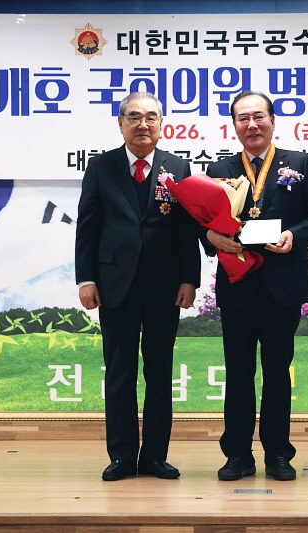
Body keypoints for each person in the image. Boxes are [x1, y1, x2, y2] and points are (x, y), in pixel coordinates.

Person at [204, 90, 308, 481]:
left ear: (273, 121)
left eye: (258, 116)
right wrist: (210, 237)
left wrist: (294, 235)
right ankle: (237, 454)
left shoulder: (299, 162)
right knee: (238, 371)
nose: (252, 124)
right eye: (243, 118)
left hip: (282, 283)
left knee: (277, 371)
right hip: (238, 281)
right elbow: (203, 220)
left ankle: (278, 454)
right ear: (234, 125)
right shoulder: (219, 168)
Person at [75, 91, 201, 481]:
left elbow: (187, 229)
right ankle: (122, 456)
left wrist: (189, 279)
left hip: (165, 287)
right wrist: (86, 279)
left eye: (151, 117)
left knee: (160, 373)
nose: (142, 124)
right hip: (115, 285)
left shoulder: (177, 167)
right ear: (121, 124)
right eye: (134, 117)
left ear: (161, 124)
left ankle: (155, 457)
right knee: (120, 372)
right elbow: (88, 226)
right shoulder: (102, 166)